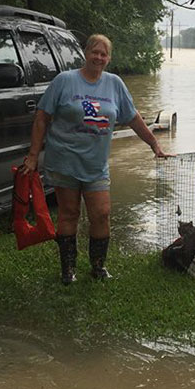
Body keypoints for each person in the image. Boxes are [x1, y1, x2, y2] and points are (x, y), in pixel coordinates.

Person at [23, 34, 168, 284]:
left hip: (96, 165)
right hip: (65, 160)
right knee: (69, 213)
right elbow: (42, 117)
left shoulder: (114, 84)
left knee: (101, 213)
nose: (98, 57)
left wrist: (154, 143)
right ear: (85, 53)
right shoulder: (64, 81)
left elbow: (132, 117)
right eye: (94, 52)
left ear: (109, 58)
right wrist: (33, 156)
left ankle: (98, 267)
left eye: (104, 54)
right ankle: (68, 270)